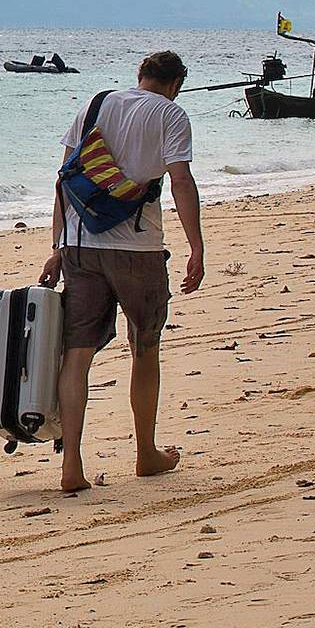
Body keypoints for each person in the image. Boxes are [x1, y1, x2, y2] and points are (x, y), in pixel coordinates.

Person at [40, 51, 204, 494]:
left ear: (140, 76)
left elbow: (64, 178)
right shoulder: (171, 114)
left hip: (81, 245)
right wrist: (196, 246)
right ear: (176, 83)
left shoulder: (96, 104)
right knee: (144, 346)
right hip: (138, 248)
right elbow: (181, 181)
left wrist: (57, 246)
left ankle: (71, 463)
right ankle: (146, 453)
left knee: (77, 354)